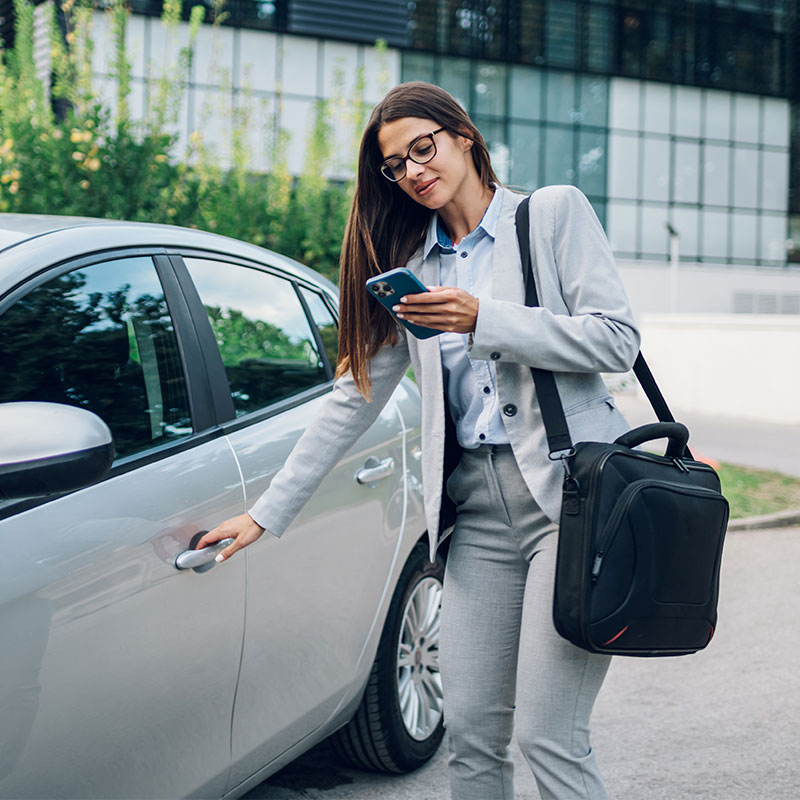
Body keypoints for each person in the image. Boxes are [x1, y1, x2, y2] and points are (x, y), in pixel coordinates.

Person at [196, 81, 640, 799]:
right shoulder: (415, 265)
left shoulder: (551, 213)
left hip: (571, 503)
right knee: (468, 734)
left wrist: (482, 319)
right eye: (395, 165)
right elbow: (355, 396)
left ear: (463, 136)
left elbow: (616, 340)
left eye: (422, 148)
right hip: (476, 518)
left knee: (549, 737)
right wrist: (265, 512)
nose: (412, 170)